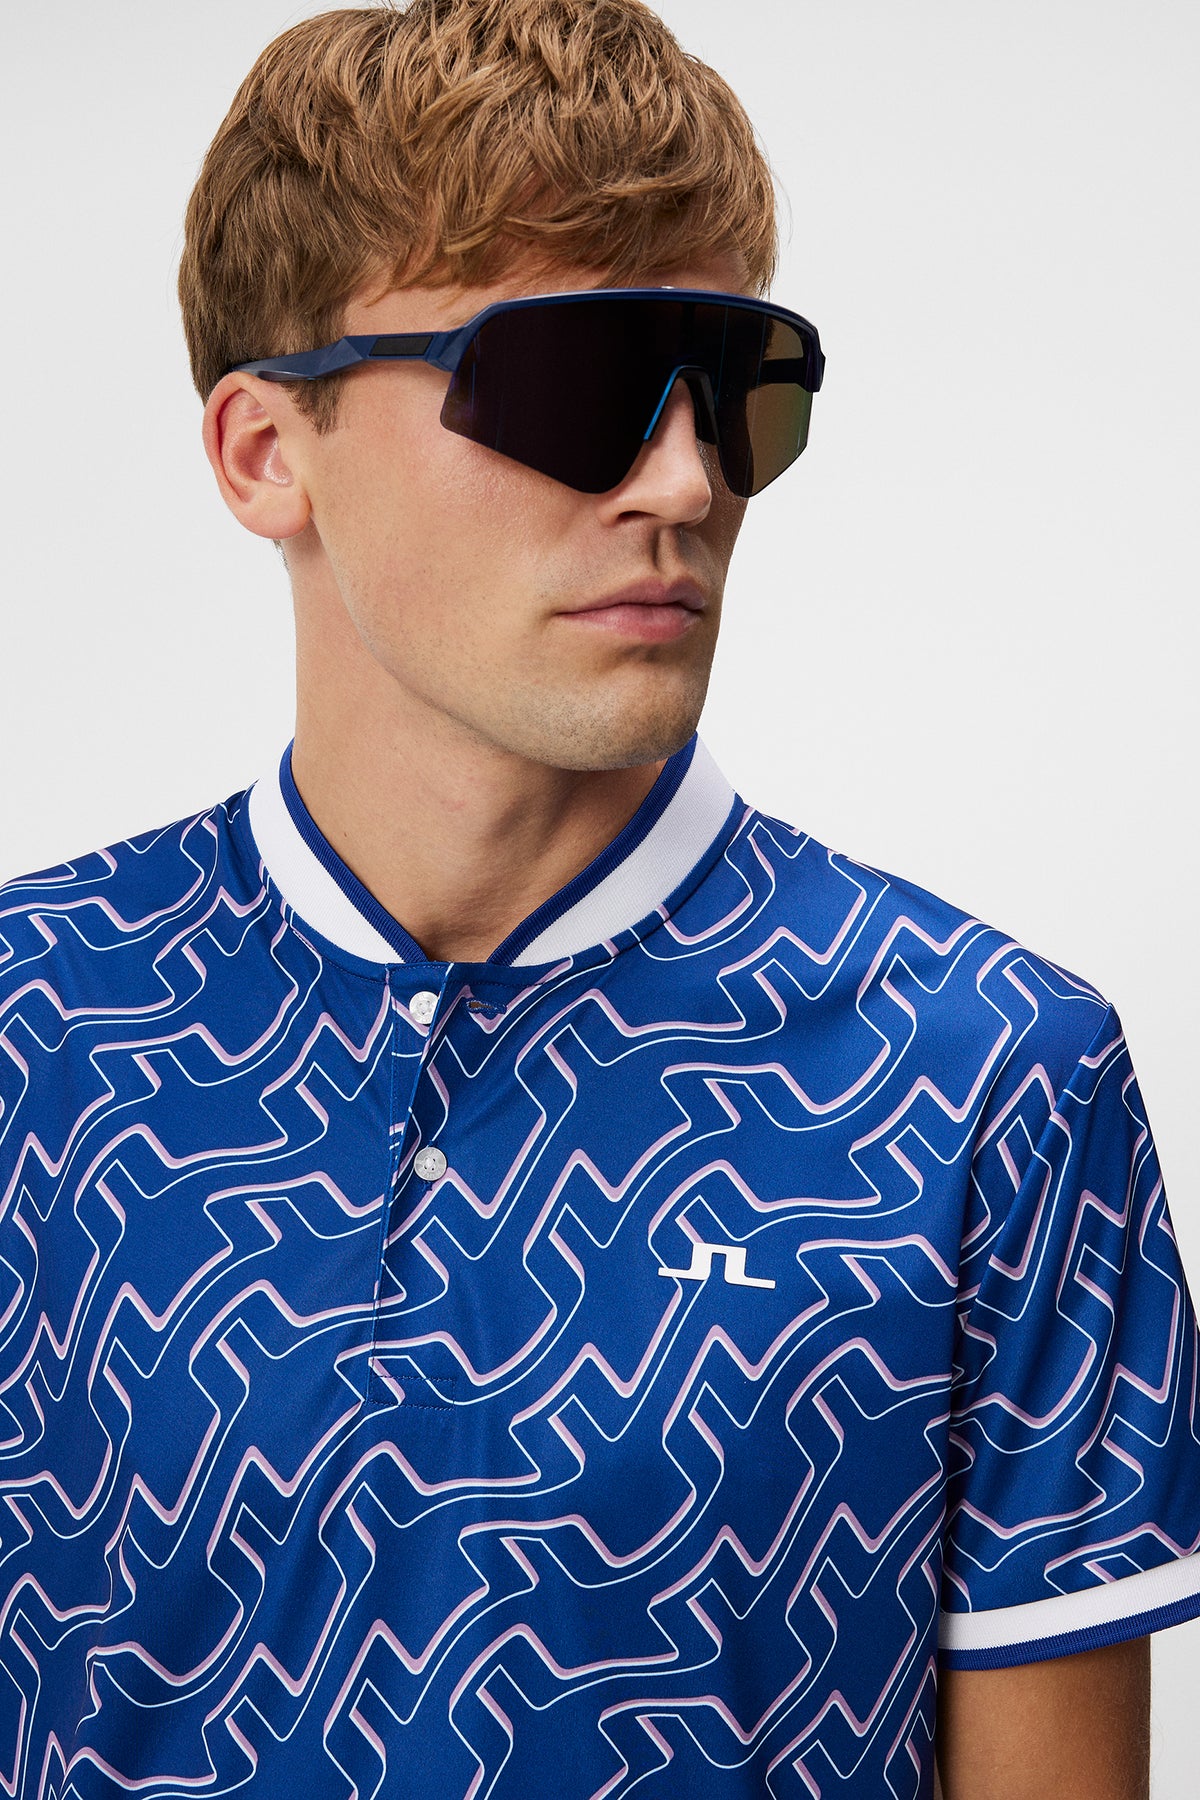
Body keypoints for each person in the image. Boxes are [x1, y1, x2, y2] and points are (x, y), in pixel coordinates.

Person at [0, 1, 1195, 1793]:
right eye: (572, 385)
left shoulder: (988, 1078)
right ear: (263, 451)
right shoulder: (33, 1030)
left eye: (738, 387)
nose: (686, 480)